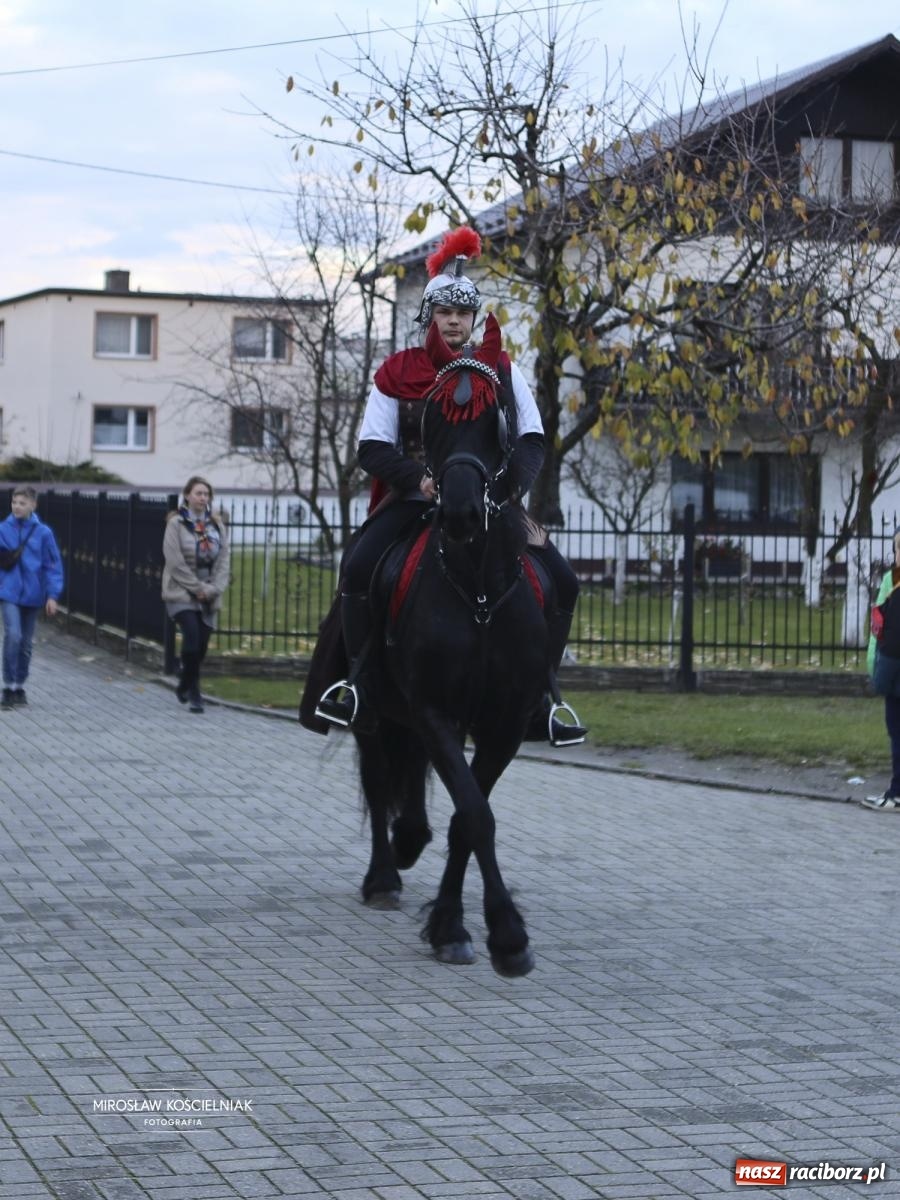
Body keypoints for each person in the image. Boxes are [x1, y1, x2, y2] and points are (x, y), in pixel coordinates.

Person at [313, 226, 586, 746]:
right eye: (445, 312)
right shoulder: (397, 372)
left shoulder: (502, 370)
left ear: (474, 317)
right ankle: (359, 685)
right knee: (359, 567)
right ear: (429, 316)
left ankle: (541, 701)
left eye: (463, 313)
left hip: (490, 500)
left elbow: (530, 439)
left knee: (565, 580)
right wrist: (418, 479)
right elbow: (371, 446)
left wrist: (506, 490)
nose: (455, 321)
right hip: (415, 498)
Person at [162, 476, 230, 715]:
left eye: (206, 494)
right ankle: (195, 693)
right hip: (181, 591)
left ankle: (184, 681)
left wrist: (211, 589)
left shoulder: (216, 526)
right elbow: (174, 561)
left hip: (208, 593)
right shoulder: (177, 524)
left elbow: (224, 561)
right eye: (198, 493)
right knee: (191, 637)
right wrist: (195, 588)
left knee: (200, 646)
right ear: (188, 496)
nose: (203, 498)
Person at [0, 485, 64, 709]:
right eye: (14, 502)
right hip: (8, 593)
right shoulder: (2, 529)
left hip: (34, 595)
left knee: (26, 643)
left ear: (33, 505)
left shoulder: (43, 533)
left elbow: (52, 565)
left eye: (22, 503)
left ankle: (19, 685)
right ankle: (7, 686)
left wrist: (52, 595)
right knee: (13, 635)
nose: (17, 507)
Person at [863, 528, 900, 809]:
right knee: (895, 730)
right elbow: (879, 629)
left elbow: (890, 636)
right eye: (897, 547)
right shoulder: (891, 580)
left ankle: (897, 792)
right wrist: (874, 665)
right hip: (892, 671)